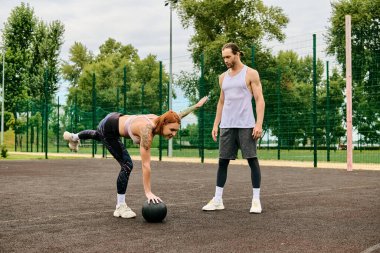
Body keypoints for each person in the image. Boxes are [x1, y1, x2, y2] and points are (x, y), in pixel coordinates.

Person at [63, 96, 208, 219]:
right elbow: (146, 165)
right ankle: (120, 206)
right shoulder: (147, 131)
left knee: (97, 135)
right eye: (172, 130)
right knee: (127, 164)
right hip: (109, 128)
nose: (174, 134)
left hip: (114, 118)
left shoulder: (163, 119)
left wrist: (196, 106)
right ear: (164, 123)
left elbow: (180, 114)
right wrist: (148, 192)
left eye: (176, 130)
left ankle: (73, 137)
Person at [202, 42, 265, 213]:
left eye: (228, 56)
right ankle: (217, 200)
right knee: (222, 162)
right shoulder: (222, 77)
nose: (225, 60)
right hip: (227, 125)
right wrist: (216, 124)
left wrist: (258, 124)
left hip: (246, 124)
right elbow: (221, 102)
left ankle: (256, 201)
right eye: (223, 57)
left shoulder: (251, 73)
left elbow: (259, 99)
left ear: (237, 54)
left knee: (252, 160)